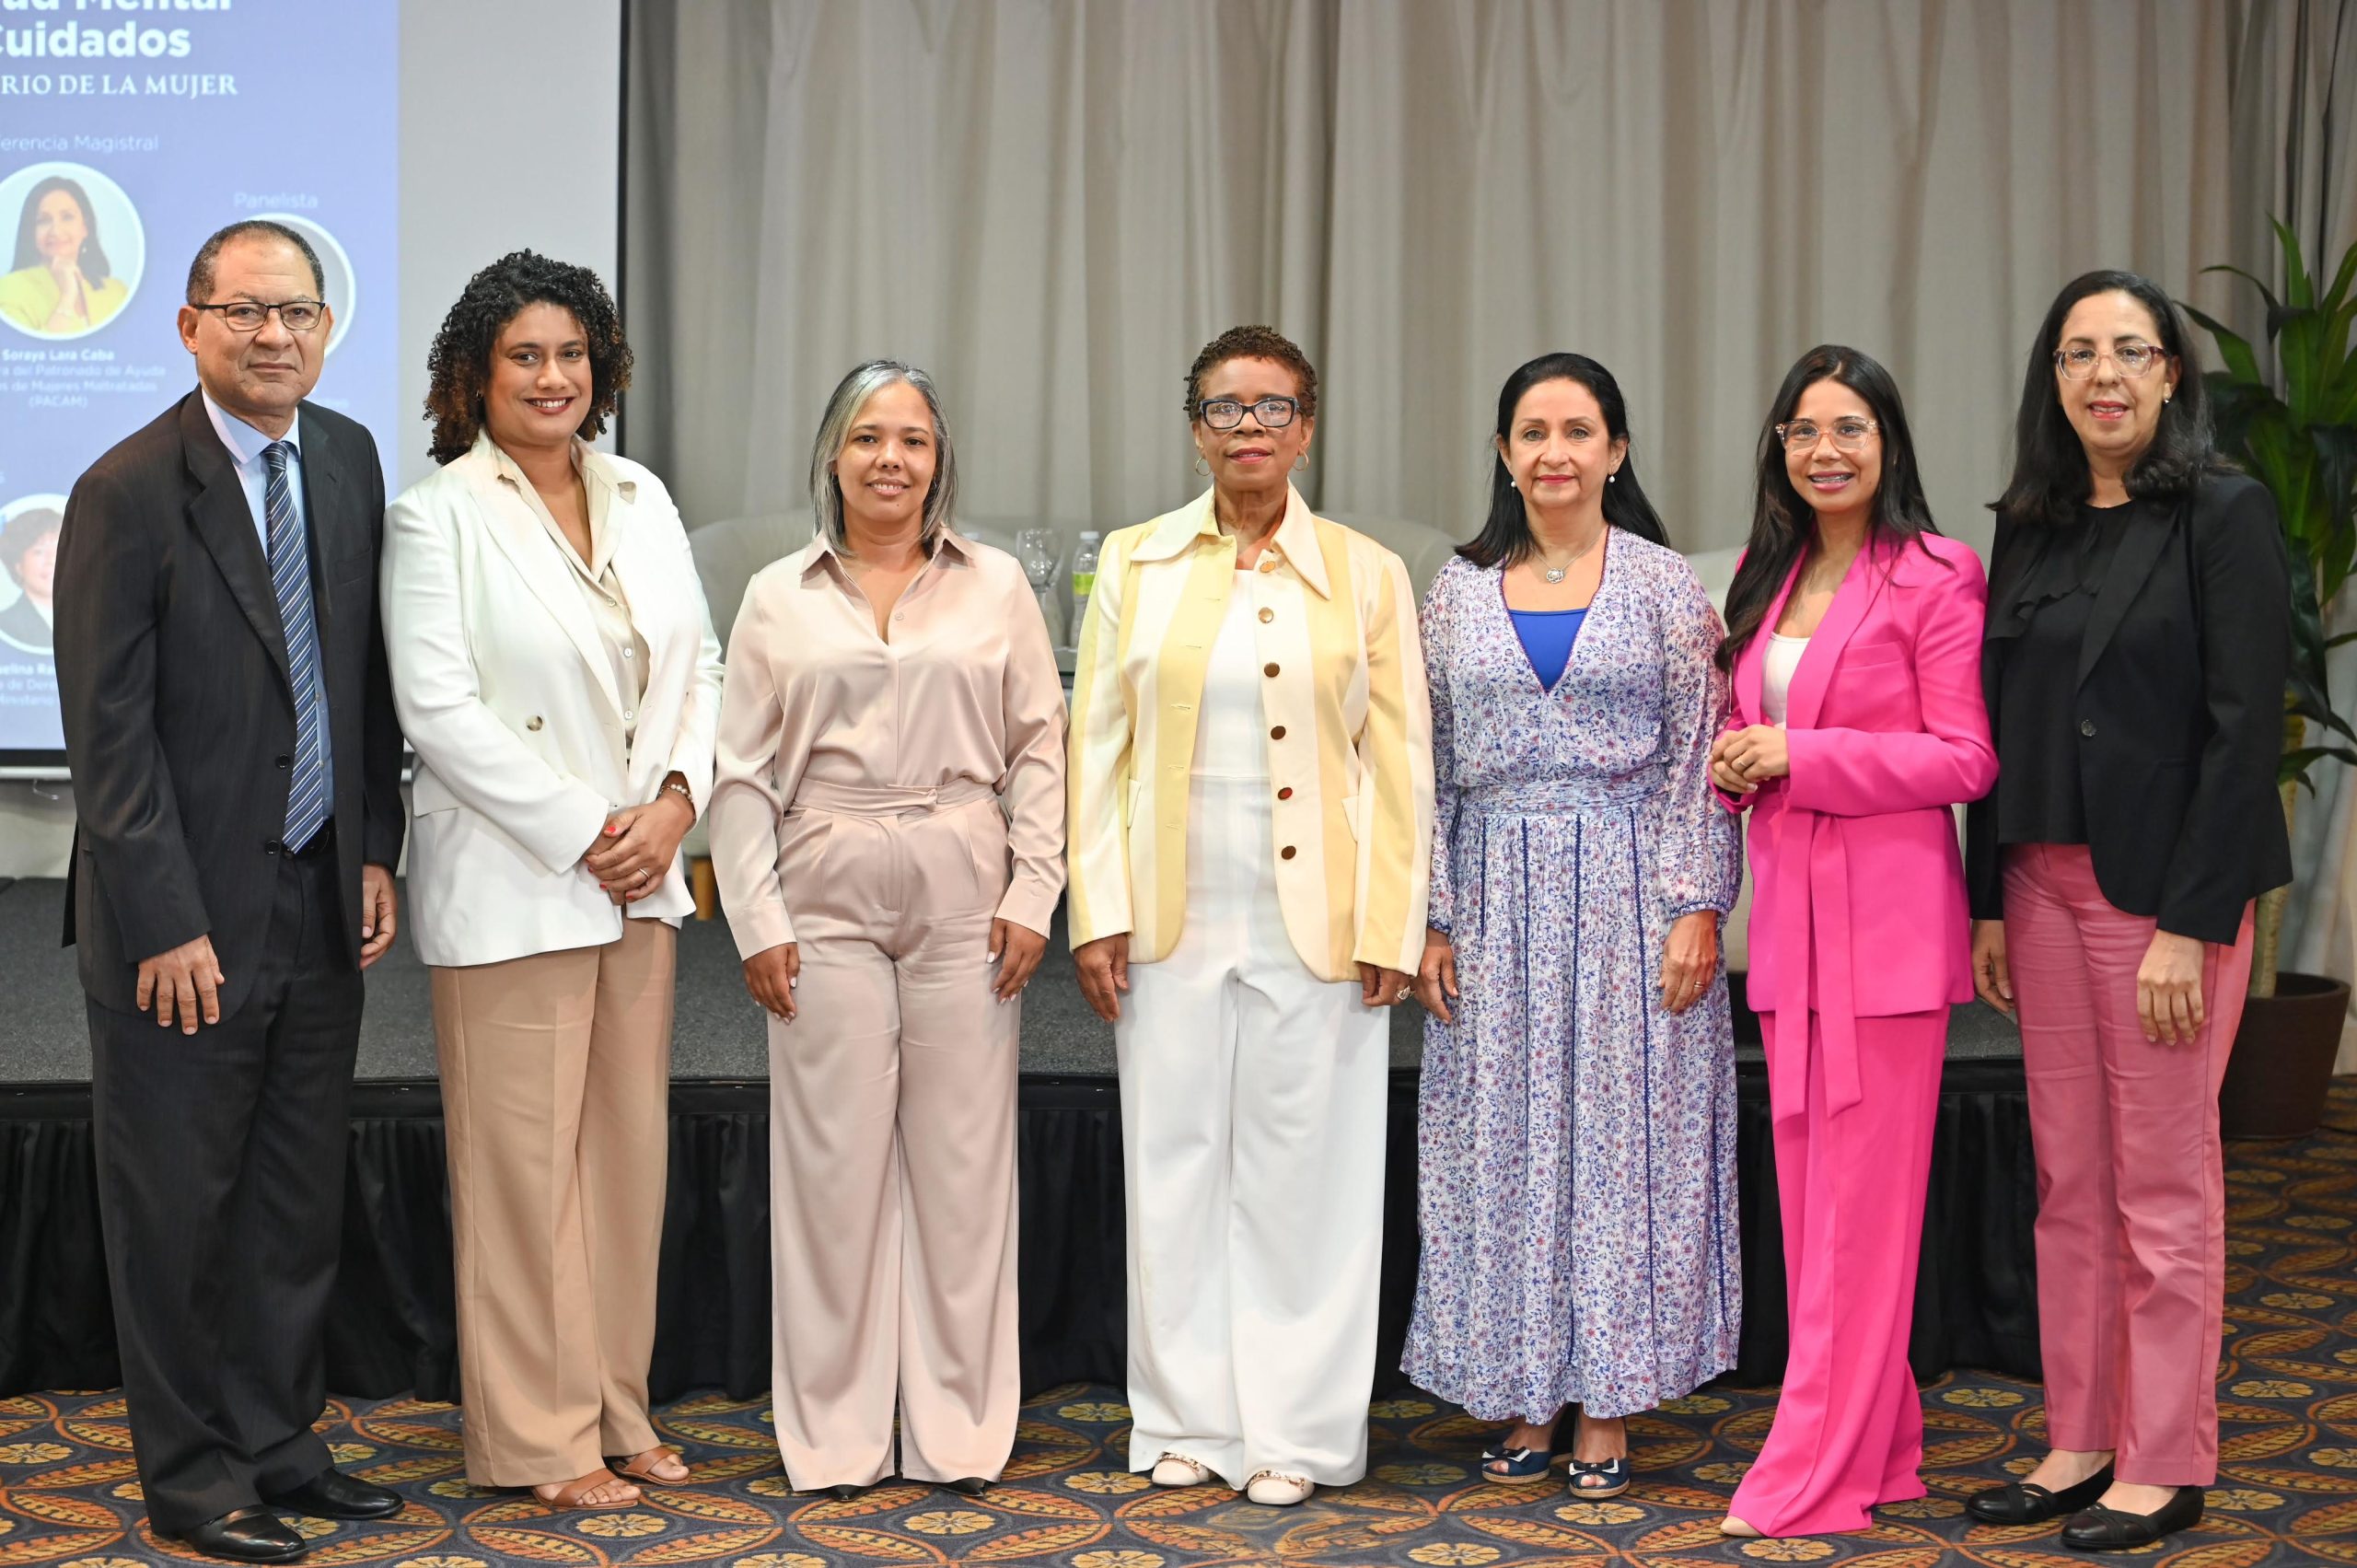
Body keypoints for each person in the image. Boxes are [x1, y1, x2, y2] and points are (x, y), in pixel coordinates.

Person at [52, 219, 404, 1563]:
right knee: (179, 1211)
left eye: (297, 313)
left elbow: (360, 680)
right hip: (179, 927)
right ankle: (193, 1479)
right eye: (246, 313)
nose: (274, 337)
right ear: (190, 326)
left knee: (290, 1197)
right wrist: (167, 919)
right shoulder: (125, 487)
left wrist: (372, 843)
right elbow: (109, 733)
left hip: (318, 902)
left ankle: (279, 1444)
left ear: (327, 328)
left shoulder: (352, 459)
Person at [1067, 324, 1432, 1508]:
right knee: (1174, 1163)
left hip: (1318, 915)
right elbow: (1095, 750)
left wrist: (1390, 920)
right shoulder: (1132, 560)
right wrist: (1097, 909)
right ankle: (1183, 1417)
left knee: (1307, 1174)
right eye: (1224, 409)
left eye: (1273, 409)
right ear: (1193, 426)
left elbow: (1399, 763)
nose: (1249, 431)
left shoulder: (1366, 573)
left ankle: (1298, 1431)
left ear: (1308, 427)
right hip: (1173, 906)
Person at [380, 252, 723, 1512]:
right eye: (524, 355)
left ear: (602, 368)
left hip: (641, 879)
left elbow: (705, 668)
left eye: (571, 354)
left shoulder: (641, 492)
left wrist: (679, 804)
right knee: (525, 1172)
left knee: (622, 1160)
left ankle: (616, 1404)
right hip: (525, 879)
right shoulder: (438, 514)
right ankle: (538, 1434)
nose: (552, 376)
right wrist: (594, 826)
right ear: (477, 373)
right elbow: (440, 708)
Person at [1963, 270, 2291, 1552]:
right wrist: (1992, 896)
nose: (2104, 373)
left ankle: (2166, 1455)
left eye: (2131, 350)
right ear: (2054, 377)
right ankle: (2081, 1434)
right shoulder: (2030, 521)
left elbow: (2243, 723)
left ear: (2169, 375)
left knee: (2163, 1186)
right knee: (2069, 1180)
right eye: (2079, 351)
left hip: (2160, 896)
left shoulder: (2225, 510)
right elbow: (2000, 723)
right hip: (2039, 885)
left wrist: (2187, 921)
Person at [709, 360, 1065, 1500]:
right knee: (831, 1171)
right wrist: (755, 915)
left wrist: (1033, 891)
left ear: (938, 458)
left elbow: (1040, 749)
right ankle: (835, 1437)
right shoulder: (777, 594)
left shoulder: (997, 584)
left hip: (966, 882)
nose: (889, 459)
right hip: (824, 888)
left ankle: (960, 1431)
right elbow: (741, 771)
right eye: (867, 437)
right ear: (832, 454)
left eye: (911, 439)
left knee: (962, 1168)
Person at [1403, 352, 1740, 1502]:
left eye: (1578, 430)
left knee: (1622, 1149)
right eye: (1532, 431)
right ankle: (1512, 1382)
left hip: (1633, 892)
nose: (1555, 451)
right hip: (1493, 893)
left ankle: (1608, 1396)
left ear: (1616, 449)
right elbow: (1425, 765)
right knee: (1494, 1142)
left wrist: (1697, 905)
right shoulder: (1452, 588)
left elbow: (1702, 755)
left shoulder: (1661, 585)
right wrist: (1433, 917)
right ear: (1503, 451)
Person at [1706, 347, 1995, 1538]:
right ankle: (1878, 1445)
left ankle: (1811, 1469)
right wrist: (1737, 763)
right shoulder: (1761, 578)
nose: (1826, 447)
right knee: (1820, 1207)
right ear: (1778, 447)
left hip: (1885, 937)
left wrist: (1802, 756)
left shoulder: (1935, 573)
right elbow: (1748, 732)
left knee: (1860, 1218)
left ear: (1889, 442)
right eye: (1803, 428)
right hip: (1790, 937)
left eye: (1851, 425)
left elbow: (1963, 756)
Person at [0, 177, 130, 334]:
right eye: (43, 220)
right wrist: (67, 297)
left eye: (67, 217)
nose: (56, 230)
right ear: (31, 233)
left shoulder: (117, 291)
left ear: (85, 228)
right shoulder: (8, 290)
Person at [0, 505, 59, 653]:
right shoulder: (6, 623)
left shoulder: (93, 619)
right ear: (18, 566)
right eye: (39, 552)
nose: (51, 560)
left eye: (59, 550)